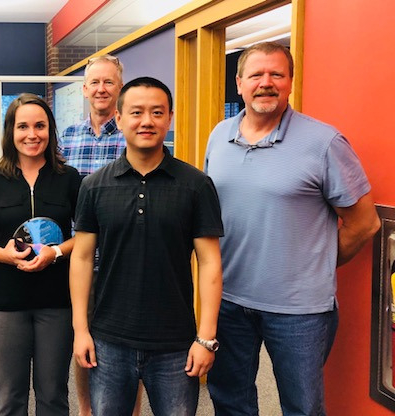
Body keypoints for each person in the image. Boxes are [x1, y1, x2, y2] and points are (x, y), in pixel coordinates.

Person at [204, 41, 381, 415]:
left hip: (300, 311)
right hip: (230, 299)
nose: (266, 83)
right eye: (256, 75)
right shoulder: (219, 135)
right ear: (239, 83)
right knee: (229, 399)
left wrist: (312, 266)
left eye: (276, 74)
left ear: (290, 81)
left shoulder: (324, 142)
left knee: (302, 407)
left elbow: (364, 223)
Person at [71, 77, 224, 415]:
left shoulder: (196, 185)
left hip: (175, 345)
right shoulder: (94, 186)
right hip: (108, 343)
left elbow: (210, 263)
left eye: (157, 112)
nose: (147, 121)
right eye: (136, 112)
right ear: (120, 118)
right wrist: (81, 330)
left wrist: (206, 337)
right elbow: (81, 259)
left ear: (169, 117)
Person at [0, 93, 81, 415]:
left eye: (40, 126)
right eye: (22, 126)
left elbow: (86, 236)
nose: (32, 134)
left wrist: (55, 252)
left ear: (50, 131)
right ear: (10, 132)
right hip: (4, 305)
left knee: (53, 395)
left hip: (57, 303)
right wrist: (4, 255)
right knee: (10, 397)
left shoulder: (69, 179)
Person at [60, 53, 147, 416]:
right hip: (79, 258)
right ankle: (85, 410)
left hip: (122, 261)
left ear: (119, 88)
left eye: (108, 82)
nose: (101, 88)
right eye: (94, 82)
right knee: (84, 343)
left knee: (132, 345)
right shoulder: (66, 138)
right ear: (84, 89)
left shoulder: (134, 135)